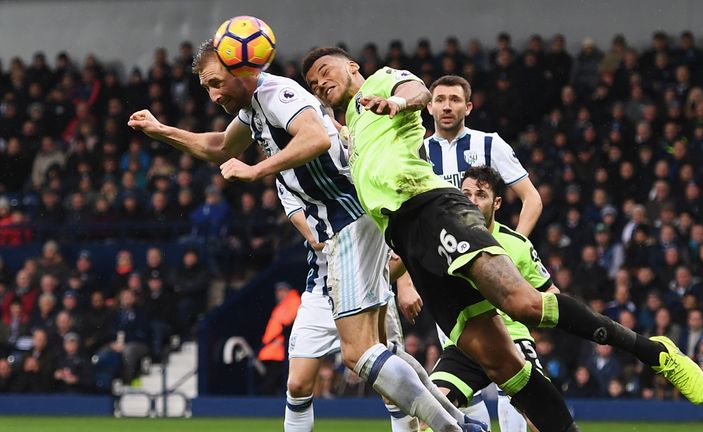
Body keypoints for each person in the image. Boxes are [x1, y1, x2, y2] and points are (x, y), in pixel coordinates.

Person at [302, 47, 703, 432]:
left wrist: (399, 103)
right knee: (504, 369)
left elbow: (416, 91)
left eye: (324, 72)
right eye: (311, 82)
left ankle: (653, 352)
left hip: (433, 209)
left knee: (523, 304)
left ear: (352, 66)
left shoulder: (383, 82)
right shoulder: (351, 128)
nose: (318, 83)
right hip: (409, 242)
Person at [129, 39, 479, 432]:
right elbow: (220, 146)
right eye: (206, 88)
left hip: (347, 223)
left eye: (215, 83)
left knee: (359, 355)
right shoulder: (253, 110)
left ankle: (456, 429)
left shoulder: (277, 92)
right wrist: (160, 130)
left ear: (241, 67)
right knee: (380, 352)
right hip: (343, 233)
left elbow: (316, 138)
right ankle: (460, 422)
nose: (213, 95)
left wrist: (255, 171)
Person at [277, 182, 418, 431]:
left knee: (393, 389)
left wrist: (404, 283)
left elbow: (397, 223)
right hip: (322, 291)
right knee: (297, 385)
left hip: (369, 290)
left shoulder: (351, 160)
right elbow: (316, 238)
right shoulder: (287, 178)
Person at [427, 166, 558, 432]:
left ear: (496, 202)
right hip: (467, 342)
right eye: (466, 194)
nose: (472, 200)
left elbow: (551, 293)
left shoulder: (516, 244)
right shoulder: (444, 240)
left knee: (543, 419)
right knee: (430, 412)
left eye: (481, 194)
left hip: (513, 339)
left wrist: (535, 315)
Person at [423, 75, 542, 237]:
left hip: (484, 251)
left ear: (468, 107)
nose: (447, 107)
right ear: (430, 107)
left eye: (455, 100)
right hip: (436, 252)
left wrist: (517, 244)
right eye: (440, 100)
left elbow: (532, 199)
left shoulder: (490, 143)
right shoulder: (418, 152)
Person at [258, 282, 301, 395]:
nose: (279, 294)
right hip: (271, 349)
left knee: (272, 383)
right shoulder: (282, 305)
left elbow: (287, 324)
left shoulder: (293, 301)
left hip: (279, 350)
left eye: (282, 291)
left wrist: (277, 341)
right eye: (278, 291)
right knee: (272, 382)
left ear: (288, 291)